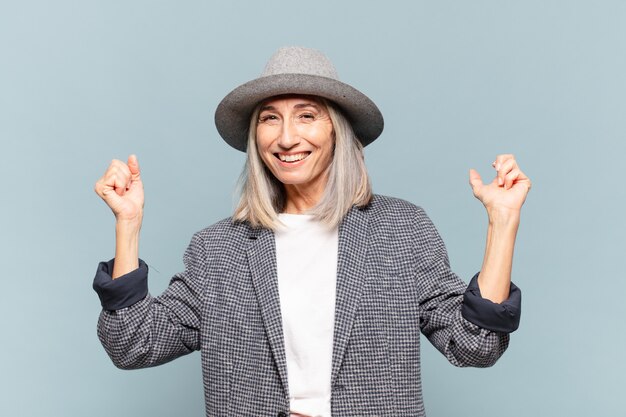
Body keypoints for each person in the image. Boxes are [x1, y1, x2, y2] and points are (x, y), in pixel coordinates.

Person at [93, 47, 530, 417]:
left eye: (306, 116)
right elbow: (134, 343)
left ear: (337, 131)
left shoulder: (402, 230)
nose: (286, 138)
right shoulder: (217, 249)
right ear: (255, 137)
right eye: (269, 119)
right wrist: (127, 225)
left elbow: (475, 346)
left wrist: (503, 223)